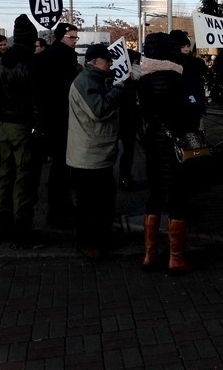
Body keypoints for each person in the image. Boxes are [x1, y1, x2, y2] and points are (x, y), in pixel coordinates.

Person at [137, 32, 203, 274]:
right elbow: (191, 111)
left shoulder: (143, 81)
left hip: (154, 144)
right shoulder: (178, 77)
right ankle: (176, 258)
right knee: (177, 196)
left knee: (154, 196)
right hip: (177, 143)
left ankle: (149, 255)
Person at [67, 43, 124, 259]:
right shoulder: (86, 81)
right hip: (88, 154)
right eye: (106, 60)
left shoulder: (96, 79)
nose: (110, 63)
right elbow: (98, 110)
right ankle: (86, 242)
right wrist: (117, 91)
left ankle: (102, 235)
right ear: (94, 62)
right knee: (88, 202)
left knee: (104, 199)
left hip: (97, 151)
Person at [0, 14, 44, 247]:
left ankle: (5, 227)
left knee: (6, 175)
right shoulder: (31, 64)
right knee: (25, 178)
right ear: (31, 39)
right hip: (24, 127)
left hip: (4, 126)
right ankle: (23, 231)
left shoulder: (0, 63)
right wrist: (39, 126)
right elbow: (37, 101)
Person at [36, 22, 82, 227]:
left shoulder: (49, 55)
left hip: (53, 116)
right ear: (62, 36)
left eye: (76, 37)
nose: (75, 41)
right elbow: (65, 88)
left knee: (60, 165)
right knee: (61, 166)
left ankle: (59, 207)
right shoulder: (61, 56)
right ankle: (58, 210)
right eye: (72, 37)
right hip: (61, 116)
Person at [117, 49, 143, 191]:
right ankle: (124, 178)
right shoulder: (122, 82)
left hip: (131, 121)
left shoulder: (136, 80)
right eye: (135, 62)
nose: (138, 65)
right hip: (125, 121)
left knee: (128, 151)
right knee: (126, 151)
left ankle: (125, 177)